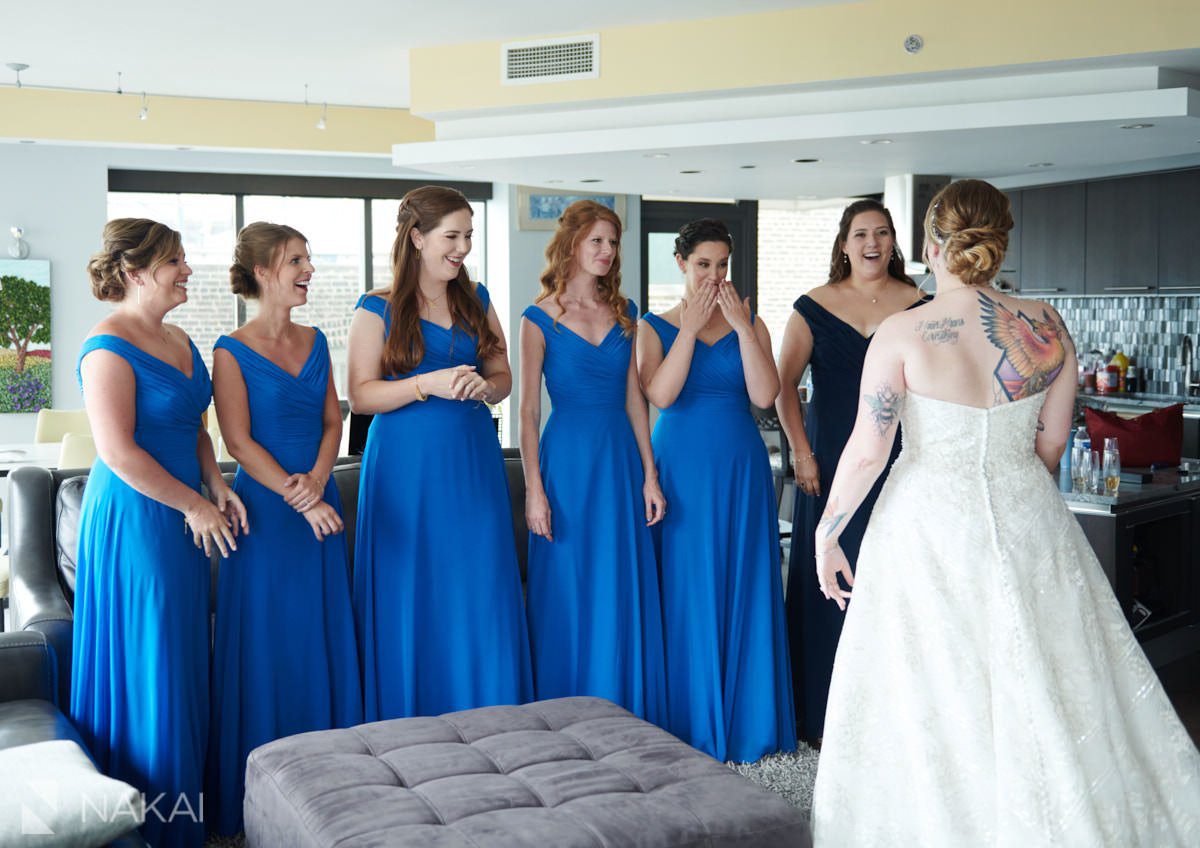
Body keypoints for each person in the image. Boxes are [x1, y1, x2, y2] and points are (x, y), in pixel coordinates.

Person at [811, 179, 1200, 846]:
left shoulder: (902, 332)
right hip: (1027, 517)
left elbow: (869, 451)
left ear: (932, 245)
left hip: (925, 526)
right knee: (1044, 675)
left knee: (931, 685)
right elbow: (1052, 443)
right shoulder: (1046, 326)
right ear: (998, 242)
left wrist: (827, 533)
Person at [74, 218, 247, 848]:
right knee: (153, 657)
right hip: (137, 519)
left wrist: (216, 483)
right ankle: (144, 825)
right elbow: (117, 451)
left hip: (181, 513)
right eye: (176, 260)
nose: (188, 271)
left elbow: (196, 427)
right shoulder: (106, 347)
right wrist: (193, 508)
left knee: (180, 653)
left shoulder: (178, 338)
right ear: (135, 270)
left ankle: (185, 815)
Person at [347, 185, 531, 720]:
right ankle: (412, 716)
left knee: (479, 583)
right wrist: (426, 384)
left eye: (469, 235)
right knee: (414, 588)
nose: (463, 248)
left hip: (472, 460)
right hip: (406, 467)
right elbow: (361, 394)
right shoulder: (375, 307)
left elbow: (503, 376)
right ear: (417, 237)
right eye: (452, 236)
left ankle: (489, 712)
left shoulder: (478, 300)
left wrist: (487, 389)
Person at [206, 223, 362, 835]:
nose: (309, 270)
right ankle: (261, 800)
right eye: (297, 260)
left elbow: (332, 421)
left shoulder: (318, 338)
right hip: (269, 520)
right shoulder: (228, 349)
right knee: (269, 647)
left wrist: (319, 483)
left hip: (315, 509)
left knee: (317, 638)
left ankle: (335, 789)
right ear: (264, 272)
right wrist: (300, 498)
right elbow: (238, 442)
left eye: (309, 259)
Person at [638, 218, 796, 762]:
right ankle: (688, 721)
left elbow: (764, 394)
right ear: (680, 263)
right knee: (686, 585)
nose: (714, 275)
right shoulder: (653, 326)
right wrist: (691, 327)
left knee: (744, 579)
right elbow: (661, 392)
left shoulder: (751, 321)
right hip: (680, 467)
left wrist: (742, 328)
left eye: (722, 266)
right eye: (703, 265)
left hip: (739, 466)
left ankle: (748, 718)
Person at [775, 199, 927, 743]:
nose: (871, 242)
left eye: (882, 232)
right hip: (828, 461)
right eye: (860, 233)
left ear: (894, 242)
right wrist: (801, 452)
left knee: (892, 576)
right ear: (843, 243)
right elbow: (782, 385)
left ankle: (889, 715)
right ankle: (819, 711)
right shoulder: (813, 306)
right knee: (825, 578)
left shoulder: (921, 305)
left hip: (900, 463)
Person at [520, 200, 667, 722]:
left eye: (613, 242)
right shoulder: (538, 317)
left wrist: (650, 474)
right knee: (569, 579)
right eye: (597, 241)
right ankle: (565, 710)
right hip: (566, 465)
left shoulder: (624, 313)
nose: (607, 252)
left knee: (617, 578)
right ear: (572, 245)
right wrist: (534, 489)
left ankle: (622, 703)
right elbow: (530, 409)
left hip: (618, 462)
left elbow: (635, 400)